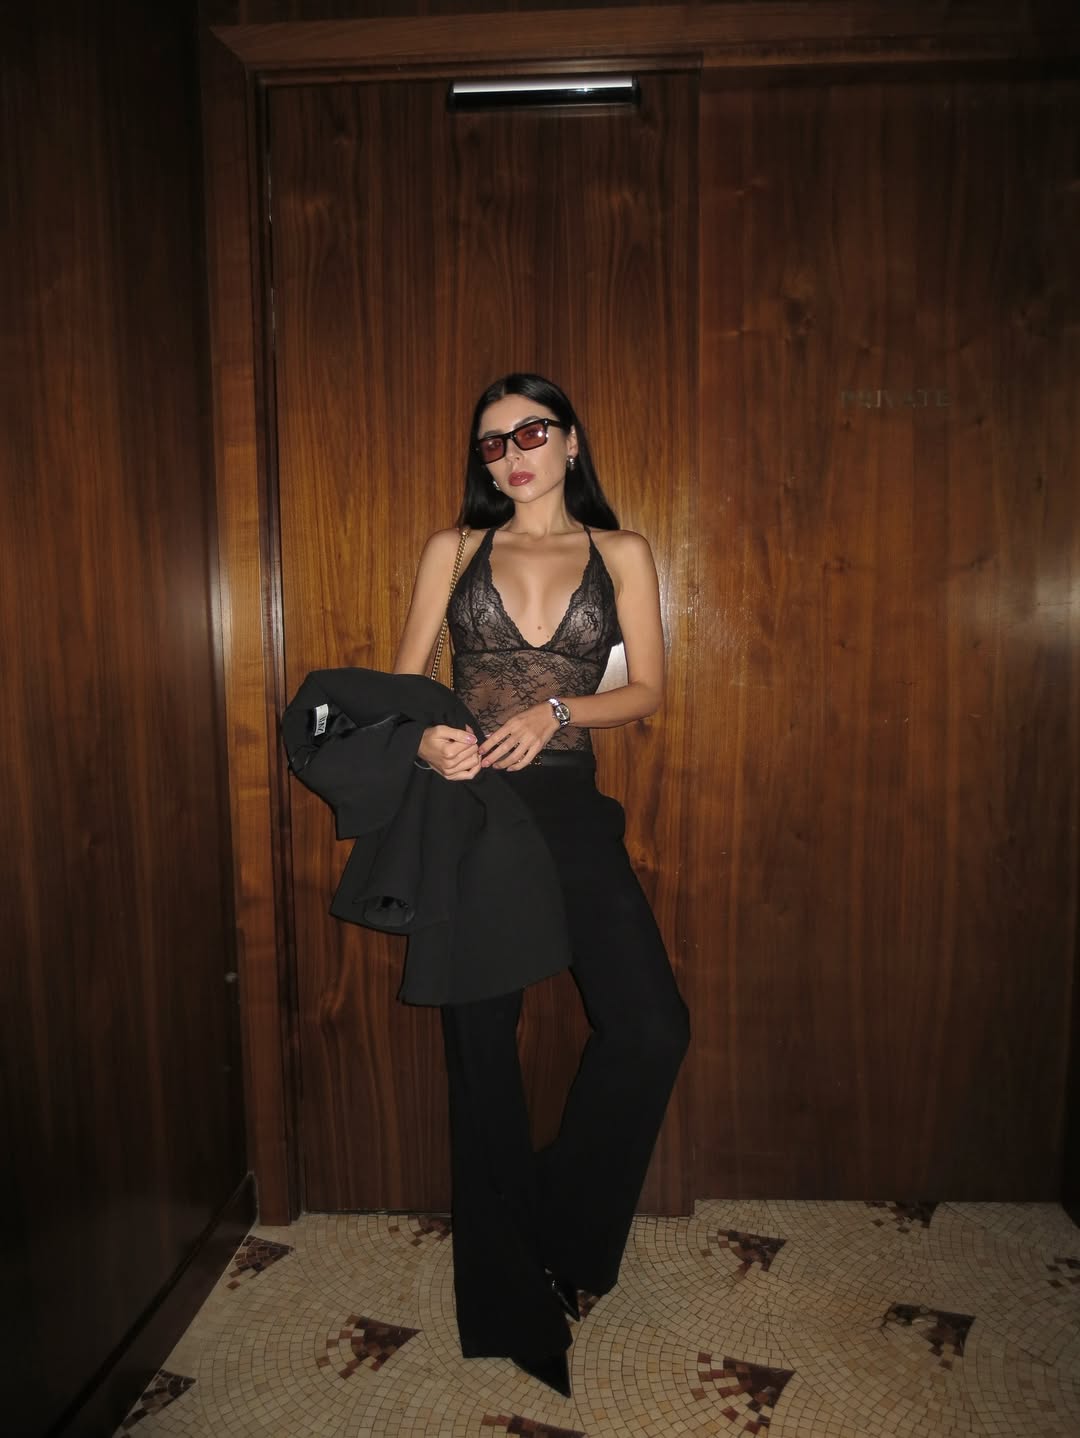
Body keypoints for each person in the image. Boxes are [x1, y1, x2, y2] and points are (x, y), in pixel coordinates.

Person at [392, 373, 690, 1399]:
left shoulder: (622, 553)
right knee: (482, 1054)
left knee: (651, 1026)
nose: (511, 454)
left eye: (531, 432)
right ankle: (506, 1298)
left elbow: (646, 689)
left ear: (570, 442)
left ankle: (558, 1226)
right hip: (469, 814)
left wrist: (558, 710)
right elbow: (405, 684)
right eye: (492, 443)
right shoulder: (452, 550)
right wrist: (425, 740)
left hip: (569, 811)